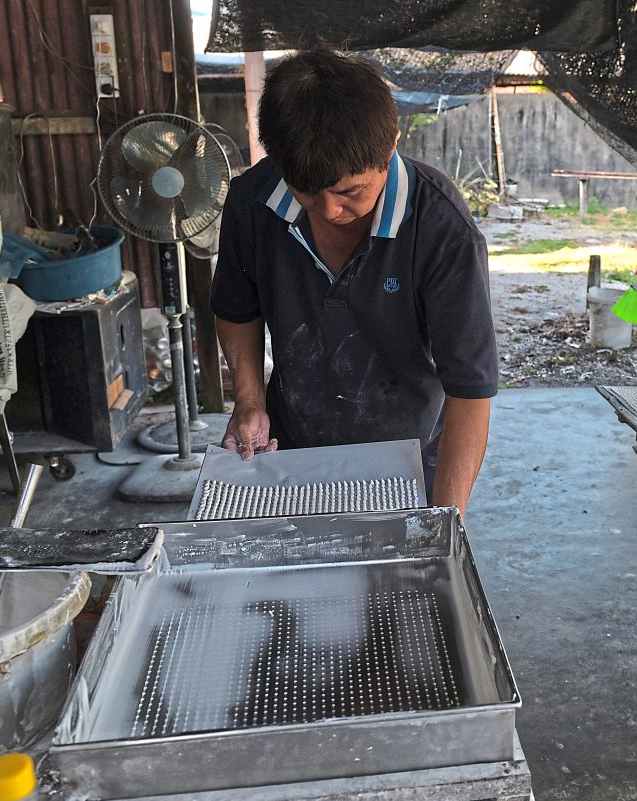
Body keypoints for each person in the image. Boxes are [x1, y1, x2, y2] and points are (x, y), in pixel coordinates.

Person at [210, 48, 498, 516]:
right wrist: (248, 400)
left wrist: (445, 524)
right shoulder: (250, 201)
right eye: (306, 192)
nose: (329, 212)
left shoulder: (441, 228)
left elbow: (469, 390)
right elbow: (236, 308)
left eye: (350, 192)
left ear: (391, 145)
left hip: (410, 456)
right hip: (291, 447)